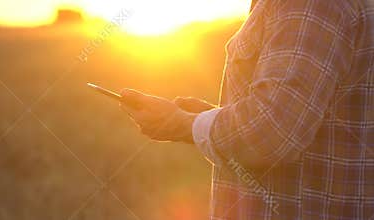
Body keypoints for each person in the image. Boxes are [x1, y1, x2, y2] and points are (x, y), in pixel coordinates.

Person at [119, 0, 374, 219]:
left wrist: (183, 124)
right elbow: (302, 113)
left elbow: (273, 131)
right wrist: (204, 117)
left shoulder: (307, 6)